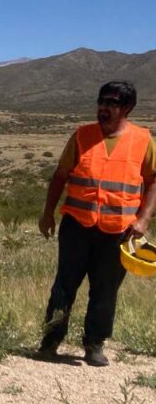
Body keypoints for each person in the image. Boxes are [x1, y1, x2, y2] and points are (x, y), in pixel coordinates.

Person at [37, 81, 156, 366]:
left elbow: (153, 182)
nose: (103, 107)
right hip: (77, 225)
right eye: (101, 101)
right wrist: (47, 213)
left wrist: (143, 219)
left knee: (105, 290)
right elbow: (60, 175)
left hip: (119, 229)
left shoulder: (143, 140)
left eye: (112, 103)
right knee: (64, 286)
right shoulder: (81, 135)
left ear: (127, 108)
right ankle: (50, 342)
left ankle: (94, 344)